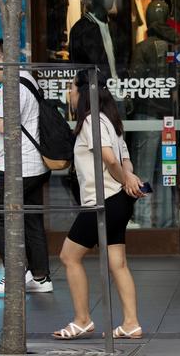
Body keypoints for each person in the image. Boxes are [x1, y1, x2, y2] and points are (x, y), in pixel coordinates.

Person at [53, 71, 145, 340]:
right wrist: (129, 178)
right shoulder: (110, 120)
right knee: (118, 262)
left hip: (102, 201)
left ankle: (82, 319)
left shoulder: (92, 120)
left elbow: (109, 158)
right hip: (119, 200)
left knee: (68, 257)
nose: (69, 94)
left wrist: (126, 178)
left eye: (71, 89)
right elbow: (124, 158)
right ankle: (131, 323)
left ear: (83, 93)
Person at [0, 39, 53, 294]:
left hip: (18, 165)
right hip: (35, 164)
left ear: (1, 59)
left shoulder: (11, 87)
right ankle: (41, 278)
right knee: (32, 220)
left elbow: (8, 126)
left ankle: (17, 273)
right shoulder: (28, 78)